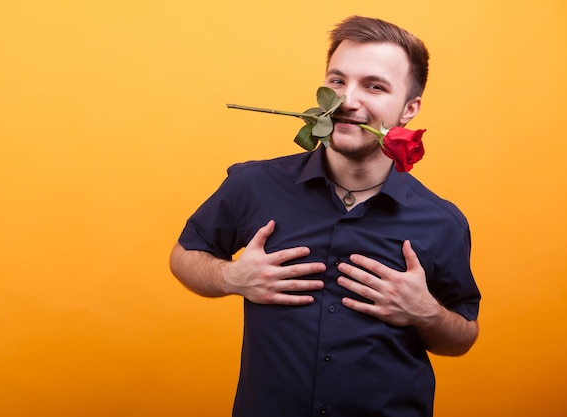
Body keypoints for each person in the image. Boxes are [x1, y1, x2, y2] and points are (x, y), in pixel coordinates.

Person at [169, 15, 481, 417]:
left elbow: (463, 335)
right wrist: (232, 278)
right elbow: (184, 256)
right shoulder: (253, 185)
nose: (348, 100)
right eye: (337, 81)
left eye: (374, 85)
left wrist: (428, 313)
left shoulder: (441, 222)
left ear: (409, 109)